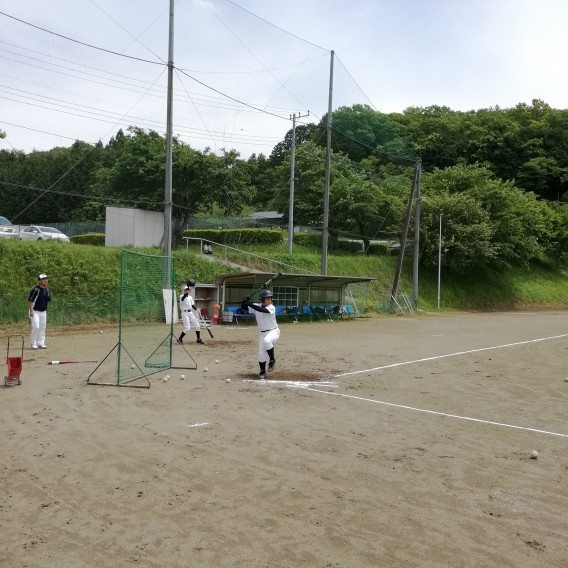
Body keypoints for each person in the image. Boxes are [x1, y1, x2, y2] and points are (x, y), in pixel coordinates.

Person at [241, 289, 280, 379]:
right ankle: (262, 371)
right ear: (262, 299)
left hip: (273, 331)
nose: (269, 300)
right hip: (262, 333)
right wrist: (244, 302)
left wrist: (249, 303)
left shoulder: (271, 307)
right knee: (261, 354)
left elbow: (262, 310)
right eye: (267, 298)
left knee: (267, 341)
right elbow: (244, 308)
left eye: (270, 298)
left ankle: (272, 360)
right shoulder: (256, 306)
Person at [178, 278, 204, 345]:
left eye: (188, 290)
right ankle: (180, 339)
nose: (189, 291)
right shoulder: (181, 296)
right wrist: (187, 291)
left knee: (197, 325)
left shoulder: (190, 297)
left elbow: (192, 305)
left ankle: (198, 339)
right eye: (186, 290)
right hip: (184, 313)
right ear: (184, 290)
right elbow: (184, 298)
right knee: (187, 328)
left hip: (190, 313)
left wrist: (197, 310)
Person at [28, 273, 51, 350]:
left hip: (43, 312)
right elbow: (30, 301)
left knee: (42, 327)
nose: (45, 281)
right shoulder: (36, 290)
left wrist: (45, 310)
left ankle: (41, 342)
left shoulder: (47, 290)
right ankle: (33, 343)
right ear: (39, 281)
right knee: (36, 327)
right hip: (35, 311)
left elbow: (47, 301)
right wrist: (31, 311)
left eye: (46, 279)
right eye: (43, 279)